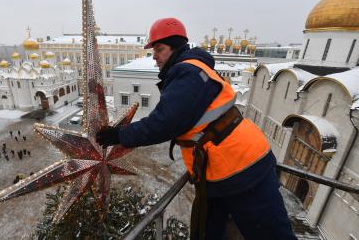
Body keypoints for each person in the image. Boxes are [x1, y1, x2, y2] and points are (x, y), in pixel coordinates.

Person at [96, 18, 296, 240]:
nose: (155, 56)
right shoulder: (192, 70)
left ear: (175, 47)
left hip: (243, 168)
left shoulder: (188, 73)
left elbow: (165, 123)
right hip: (222, 169)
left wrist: (118, 135)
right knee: (207, 230)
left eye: (159, 49)